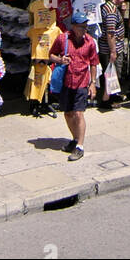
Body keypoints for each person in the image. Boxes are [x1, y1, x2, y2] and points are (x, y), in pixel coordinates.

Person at [49, 12, 99, 161]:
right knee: (68, 113)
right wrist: (59, 59)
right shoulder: (63, 38)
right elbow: (50, 55)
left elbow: (94, 64)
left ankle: (80, 146)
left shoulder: (90, 42)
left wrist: (93, 84)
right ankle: (75, 139)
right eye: (82, 27)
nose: (85, 30)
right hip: (66, 82)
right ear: (74, 27)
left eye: (86, 26)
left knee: (78, 113)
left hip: (82, 82)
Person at [97, 0, 127, 110]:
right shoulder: (110, 10)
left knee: (114, 73)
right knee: (111, 74)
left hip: (112, 48)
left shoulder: (112, 8)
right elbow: (110, 32)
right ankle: (106, 100)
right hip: (110, 49)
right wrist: (113, 51)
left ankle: (113, 96)